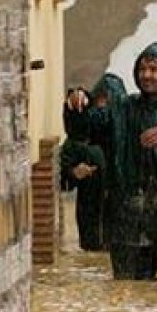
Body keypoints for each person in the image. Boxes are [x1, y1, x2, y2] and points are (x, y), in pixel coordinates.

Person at [66, 43, 157, 280]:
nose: (147, 75)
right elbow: (84, 131)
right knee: (129, 291)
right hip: (128, 221)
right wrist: (78, 103)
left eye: (154, 69)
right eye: (142, 69)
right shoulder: (122, 109)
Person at [60, 88, 106, 251]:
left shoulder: (119, 137)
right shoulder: (76, 143)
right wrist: (74, 173)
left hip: (118, 227)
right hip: (91, 227)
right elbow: (61, 180)